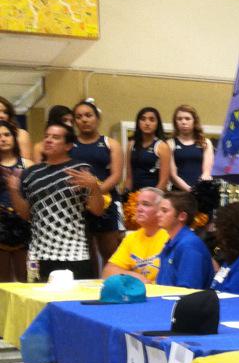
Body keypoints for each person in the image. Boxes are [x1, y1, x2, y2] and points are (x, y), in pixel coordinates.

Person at [5, 122, 105, 279]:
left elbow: (97, 210)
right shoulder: (31, 174)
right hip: (40, 254)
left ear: (68, 145)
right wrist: (13, 191)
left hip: (75, 253)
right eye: (46, 136)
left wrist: (94, 187)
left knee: (73, 301)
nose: (49, 140)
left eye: (56, 137)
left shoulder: (80, 169)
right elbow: (27, 215)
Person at [72, 99, 125, 266]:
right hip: (77, 204)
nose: (84, 120)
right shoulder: (69, 145)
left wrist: (96, 192)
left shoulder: (110, 144)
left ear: (97, 118)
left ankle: (113, 286)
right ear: (75, 121)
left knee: (110, 251)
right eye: (79, 117)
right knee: (86, 255)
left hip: (106, 201)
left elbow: (116, 175)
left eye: (88, 115)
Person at [101, 186, 167, 283]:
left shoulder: (170, 237)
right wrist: (135, 277)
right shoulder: (131, 238)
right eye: (137, 204)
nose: (139, 209)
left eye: (146, 204)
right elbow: (108, 272)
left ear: (161, 210)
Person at [154, 190, 213, 289]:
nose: (158, 214)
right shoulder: (172, 243)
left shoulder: (190, 246)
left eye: (164, 211)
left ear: (182, 216)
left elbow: (187, 292)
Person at [0, 119, 34, 282]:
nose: (3, 139)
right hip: (0, 225)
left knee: (26, 279)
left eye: (7, 135)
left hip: (24, 222)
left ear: (14, 138)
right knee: (3, 282)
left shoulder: (27, 165)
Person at [168, 104, 213, 191]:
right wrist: (190, 190)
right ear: (175, 122)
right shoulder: (170, 143)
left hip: (201, 191)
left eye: (187, 118)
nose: (183, 122)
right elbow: (172, 175)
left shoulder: (205, 143)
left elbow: (207, 172)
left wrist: (198, 190)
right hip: (179, 193)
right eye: (179, 119)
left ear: (194, 121)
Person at [125, 107, 170, 193]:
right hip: (133, 195)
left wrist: (152, 199)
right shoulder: (131, 144)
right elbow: (129, 177)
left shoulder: (162, 146)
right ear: (138, 123)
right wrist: (125, 195)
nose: (147, 123)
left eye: (152, 120)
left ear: (157, 124)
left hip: (154, 195)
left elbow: (164, 181)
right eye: (143, 119)